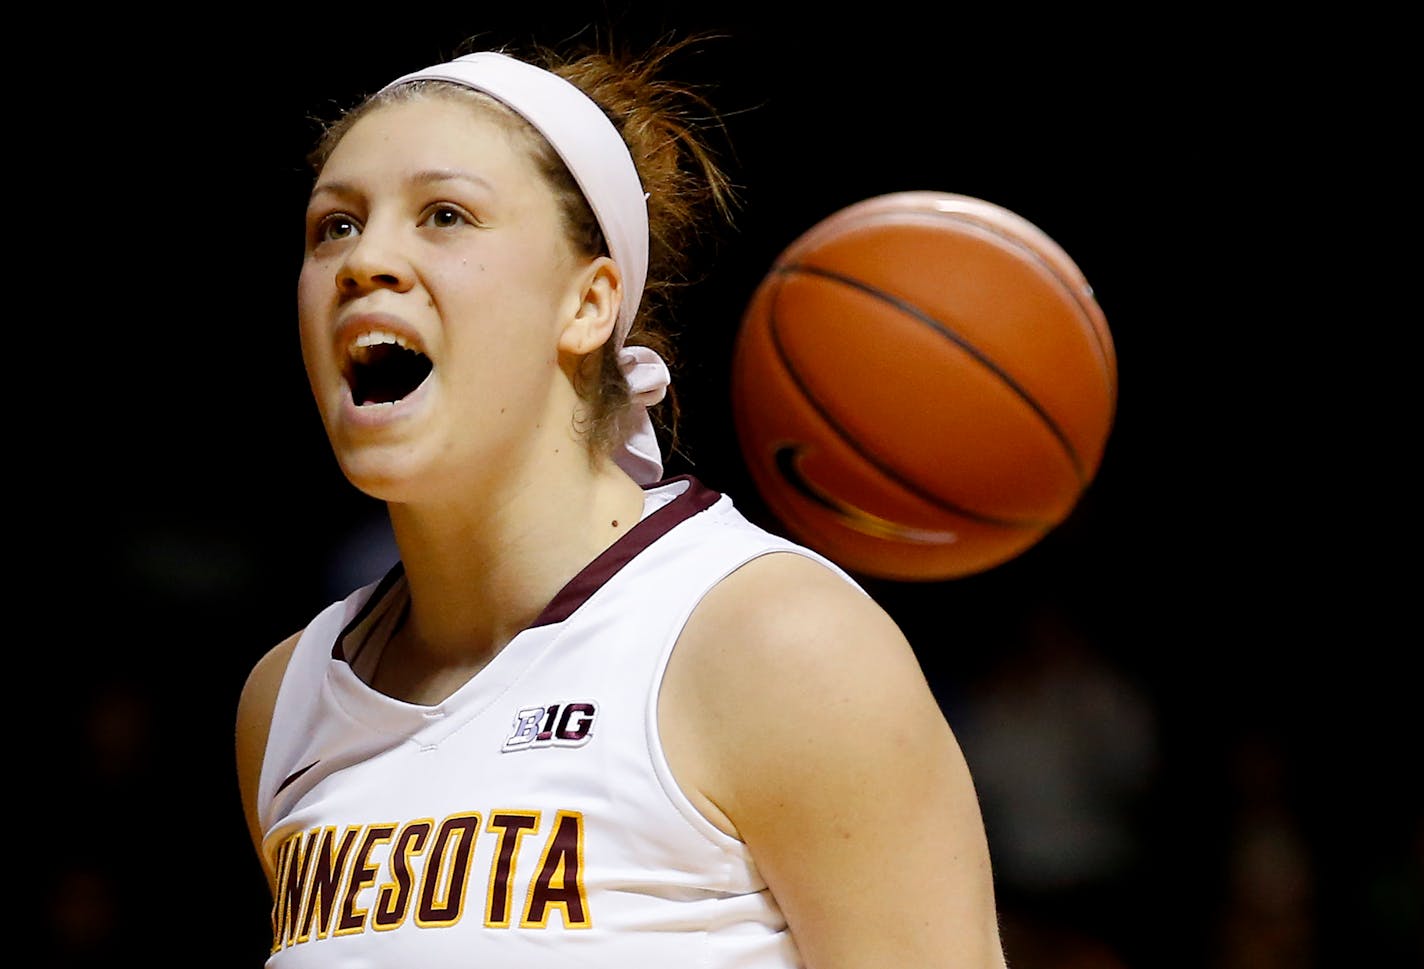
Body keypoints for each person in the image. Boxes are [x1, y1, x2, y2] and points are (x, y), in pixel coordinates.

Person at [235, 34, 1008, 968]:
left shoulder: (774, 644)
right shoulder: (286, 698)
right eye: (335, 226)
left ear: (591, 303)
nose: (367, 261)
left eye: (443, 214)